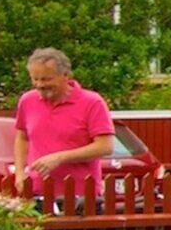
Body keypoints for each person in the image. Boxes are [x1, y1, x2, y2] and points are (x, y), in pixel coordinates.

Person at [13, 49, 117, 193]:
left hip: (80, 194)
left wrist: (60, 158)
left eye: (46, 79)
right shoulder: (27, 101)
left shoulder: (92, 102)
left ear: (65, 76)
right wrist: (19, 173)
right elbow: (22, 138)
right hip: (38, 191)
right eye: (35, 79)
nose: (40, 85)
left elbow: (105, 146)